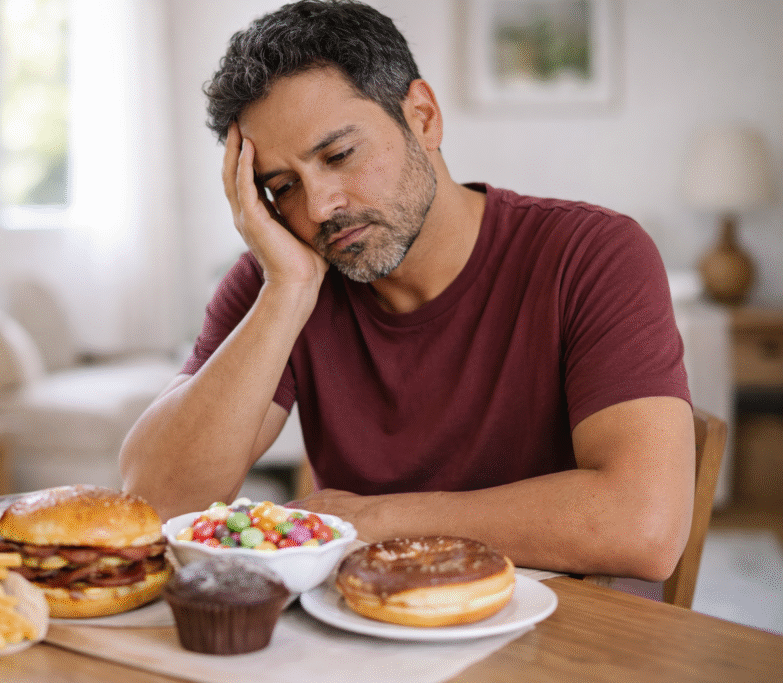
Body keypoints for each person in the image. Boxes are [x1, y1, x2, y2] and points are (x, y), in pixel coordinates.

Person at [120, 0, 694, 580]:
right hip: (366, 632)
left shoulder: (592, 254)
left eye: (340, 155)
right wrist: (287, 292)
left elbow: (643, 527)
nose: (320, 207)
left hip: (567, 641)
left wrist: (375, 519)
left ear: (422, 116)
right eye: (283, 186)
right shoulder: (285, 276)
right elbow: (156, 502)